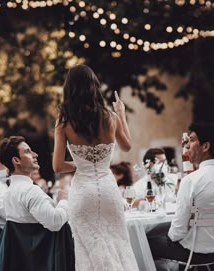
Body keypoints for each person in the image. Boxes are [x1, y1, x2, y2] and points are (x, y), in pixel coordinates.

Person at [53, 64, 139, 271]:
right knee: (118, 245)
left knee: (88, 251)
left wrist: (79, 165)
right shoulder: (110, 117)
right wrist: (121, 113)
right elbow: (127, 146)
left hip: (82, 192)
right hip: (109, 190)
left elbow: (57, 166)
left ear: (70, 89)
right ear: (95, 87)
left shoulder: (64, 121)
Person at [147, 122, 214, 269]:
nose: (187, 146)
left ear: (205, 146)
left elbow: (176, 233)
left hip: (192, 253)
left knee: (144, 243)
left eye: (192, 140)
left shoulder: (191, 181)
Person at [0, 136, 75, 271]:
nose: (35, 154)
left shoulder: (9, 191)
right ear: (16, 160)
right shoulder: (30, 191)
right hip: (42, 260)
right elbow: (55, 222)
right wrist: (64, 200)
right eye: (28, 152)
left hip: (23, 261)